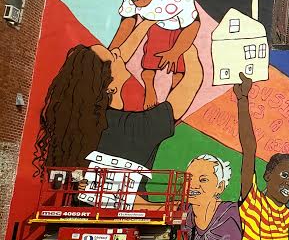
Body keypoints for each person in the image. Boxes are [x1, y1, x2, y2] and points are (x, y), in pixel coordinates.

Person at [33, 18, 202, 176]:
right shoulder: (138, 127)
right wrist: (184, 40)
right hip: (130, 207)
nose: (116, 52)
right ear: (110, 86)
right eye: (112, 57)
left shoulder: (81, 124)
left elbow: (119, 55)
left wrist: (148, 22)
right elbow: (194, 78)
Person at [107, 0, 200, 109]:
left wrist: (175, 51)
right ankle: (150, 88)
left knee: (178, 67)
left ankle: (173, 97)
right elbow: (128, 21)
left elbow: (193, 25)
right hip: (156, 27)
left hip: (178, 28)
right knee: (149, 64)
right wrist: (112, 51)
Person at [234, 73, 289, 240]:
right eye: (285, 176)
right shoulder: (252, 202)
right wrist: (242, 100)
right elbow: (249, 149)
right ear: (267, 175)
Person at [185, 154, 242, 240]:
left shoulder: (232, 212)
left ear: (220, 187)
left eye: (203, 180)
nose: (193, 185)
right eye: (189, 178)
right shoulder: (183, 212)